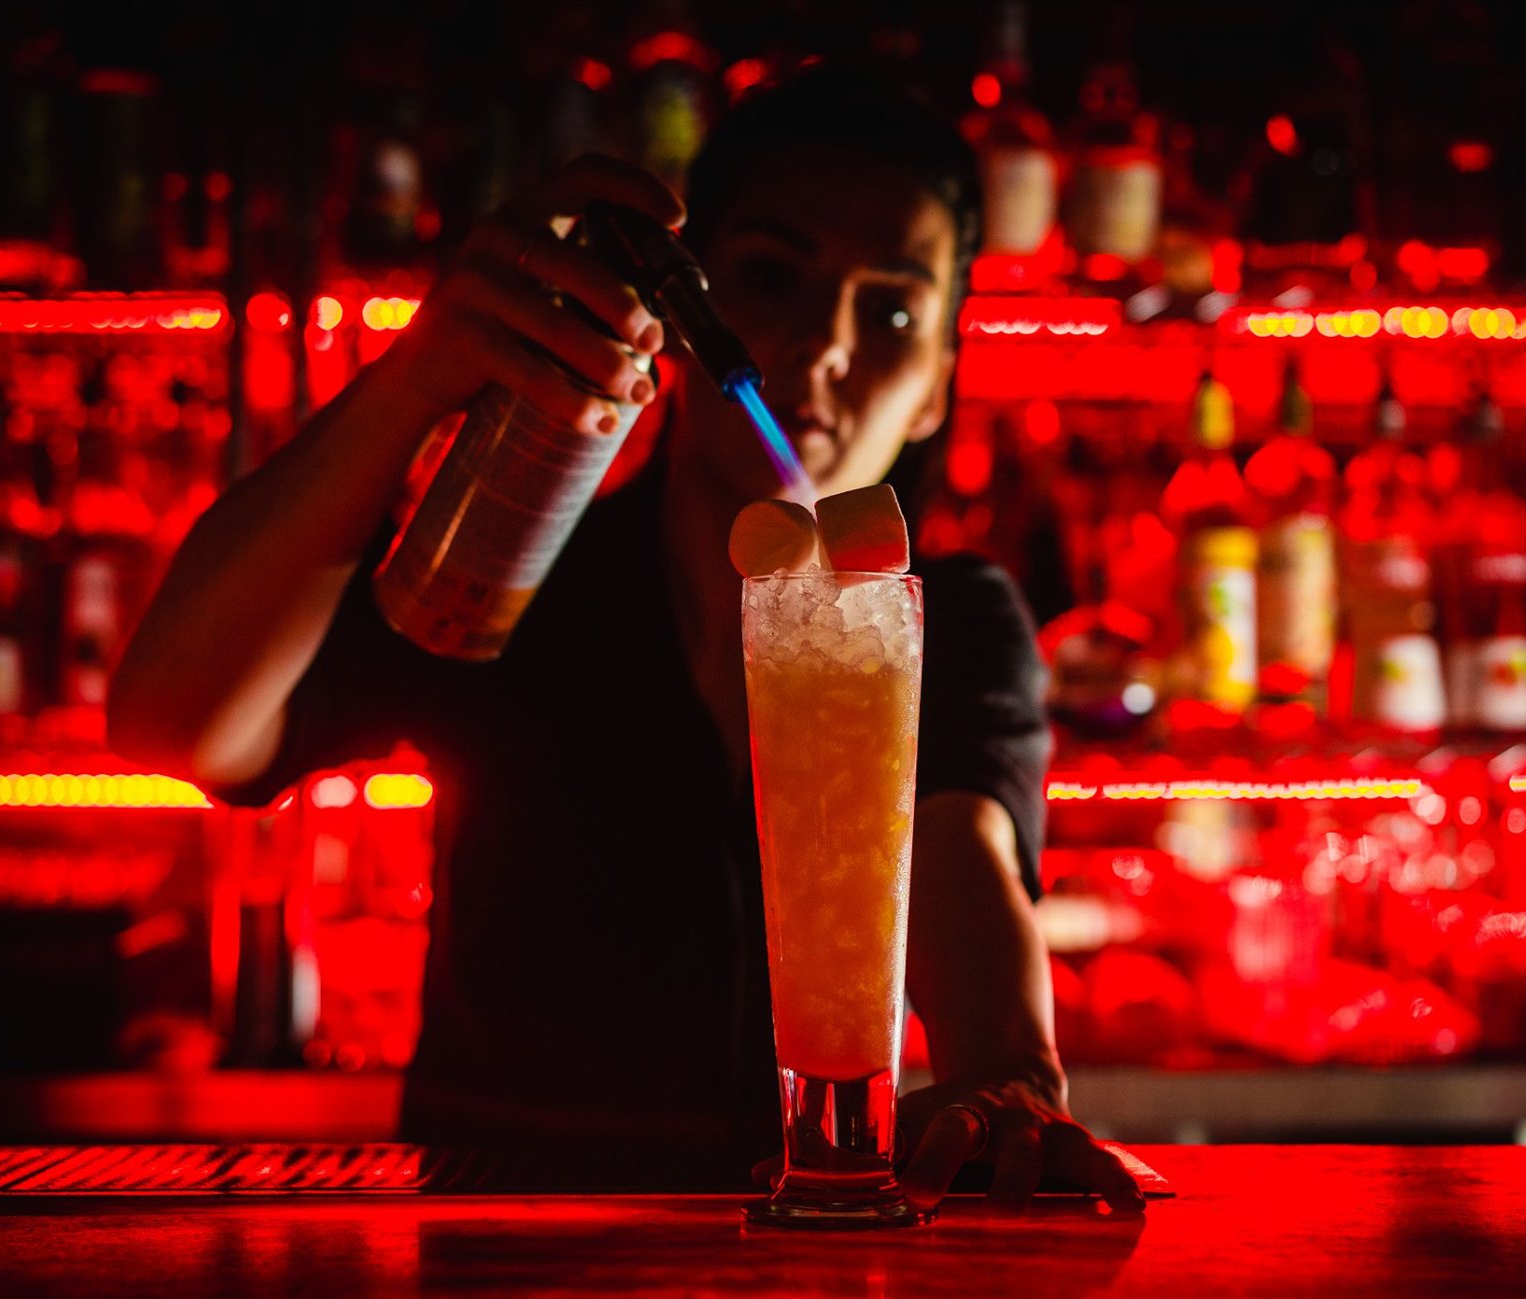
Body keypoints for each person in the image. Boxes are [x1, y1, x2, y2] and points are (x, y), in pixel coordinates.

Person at [110, 64, 1141, 1214]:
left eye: (892, 308)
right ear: (683, 307)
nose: (824, 344)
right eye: (768, 274)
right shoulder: (512, 573)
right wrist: (417, 376)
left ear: (941, 384)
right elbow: (177, 723)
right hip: (496, 1235)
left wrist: (1005, 1076)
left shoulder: (940, 612)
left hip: (811, 1245)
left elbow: (962, 858)